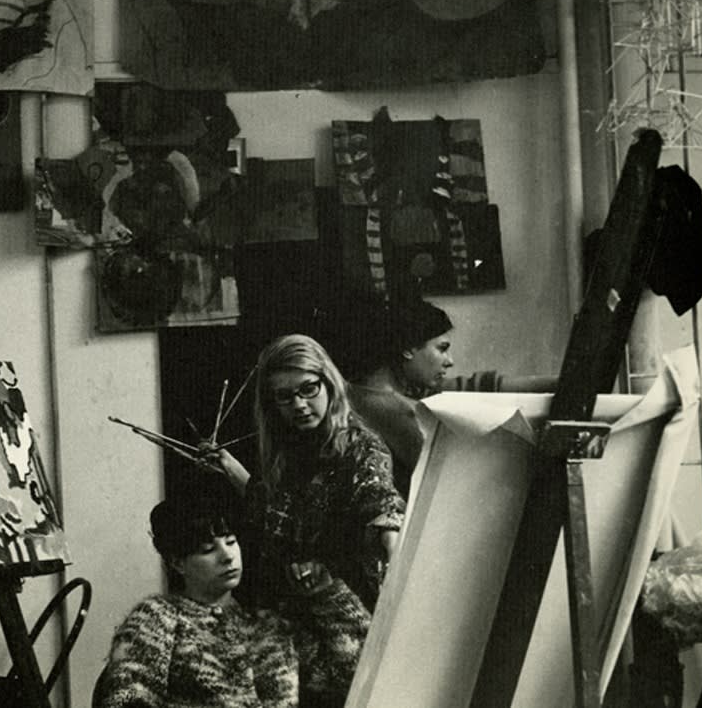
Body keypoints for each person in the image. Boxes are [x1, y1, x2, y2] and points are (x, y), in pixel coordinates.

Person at [202, 334, 403, 708]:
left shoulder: (361, 447)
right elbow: (279, 511)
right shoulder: (285, 448)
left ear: (328, 383)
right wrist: (233, 472)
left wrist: (391, 540)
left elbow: (379, 502)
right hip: (286, 621)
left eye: (308, 389)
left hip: (343, 623)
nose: (299, 404)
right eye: (284, 396)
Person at [96, 498, 299, 708]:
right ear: (178, 563)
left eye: (231, 542)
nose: (228, 556)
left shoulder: (268, 625)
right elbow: (125, 700)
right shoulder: (156, 619)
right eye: (208, 550)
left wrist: (327, 594)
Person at [346, 298, 555, 497]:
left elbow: (476, 386)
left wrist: (562, 382)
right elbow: (452, 481)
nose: (450, 361)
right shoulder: (394, 407)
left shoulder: (375, 389)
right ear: (408, 350)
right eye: (442, 349)